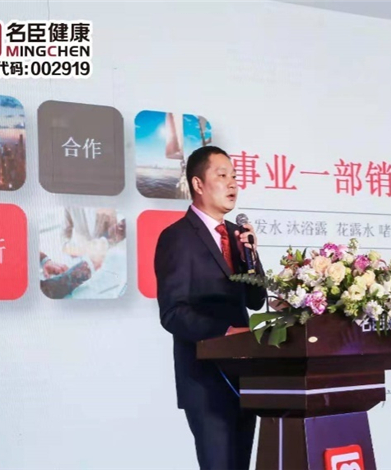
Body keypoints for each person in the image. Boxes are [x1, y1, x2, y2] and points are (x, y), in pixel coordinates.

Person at [154, 145, 267, 470]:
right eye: (222, 175)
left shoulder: (236, 235)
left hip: (245, 377)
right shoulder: (176, 237)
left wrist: (251, 257)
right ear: (198, 184)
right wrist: (225, 332)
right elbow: (173, 312)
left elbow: (256, 301)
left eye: (235, 176)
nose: (232, 183)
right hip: (206, 381)